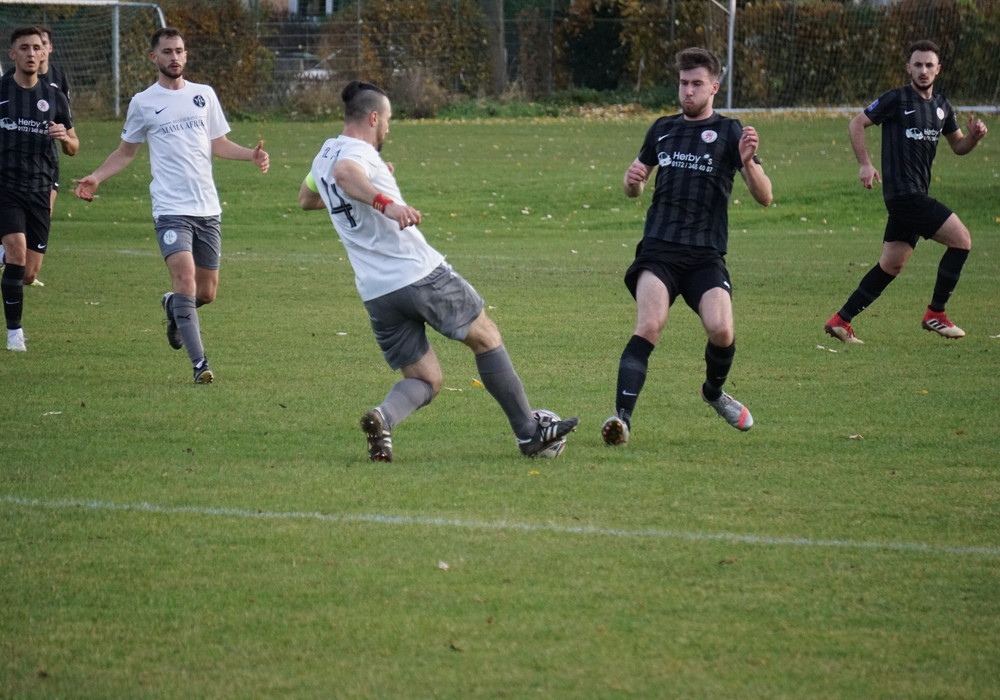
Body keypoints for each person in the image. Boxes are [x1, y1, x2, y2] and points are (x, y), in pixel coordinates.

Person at [299, 80, 578, 462]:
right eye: (388, 120)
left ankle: (383, 417)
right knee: (486, 336)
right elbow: (347, 173)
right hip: (419, 275)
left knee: (425, 378)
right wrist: (386, 203)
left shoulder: (324, 153)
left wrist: (371, 183)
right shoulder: (355, 153)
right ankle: (529, 434)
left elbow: (307, 197)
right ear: (374, 118)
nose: (388, 129)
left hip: (377, 293)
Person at [75, 27, 269, 383]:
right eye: (167, 52)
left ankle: (172, 305)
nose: (174, 57)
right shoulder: (143, 102)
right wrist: (97, 177)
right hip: (170, 210)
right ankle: (200, 365)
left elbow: (219, 143)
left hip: (207, 209)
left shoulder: (203, 95)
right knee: (185, 278)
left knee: (205, 293)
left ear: (186, 55)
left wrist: (251, 155)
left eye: (179, 51)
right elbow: (125, 151)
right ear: (154, 57)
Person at [600, 48, 772, 446]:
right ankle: (621, 420)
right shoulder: (662, 128)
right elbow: (635, 187)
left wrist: (748, 163)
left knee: (721, 330)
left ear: (714, 87)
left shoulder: (731, 131)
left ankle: (713, 393)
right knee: (649, 324)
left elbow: (765, 197)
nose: (688, 91)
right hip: (659, 251)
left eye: (697, 84)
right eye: (683, 83)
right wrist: (632, 181)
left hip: (705, 255)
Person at [824, 40, 988, 345]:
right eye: (918, 64)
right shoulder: (896, 99)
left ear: (938, 70)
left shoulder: (942, 106)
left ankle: (841, 321)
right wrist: (865, 164)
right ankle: (936, 313)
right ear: (908, 68)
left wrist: (974, 138)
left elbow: (958, 146)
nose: (923, 70)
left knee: (892, 264)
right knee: (962, 240)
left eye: (929, 65)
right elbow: (857, 124)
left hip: (912, 197)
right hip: (904, 196)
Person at [1, 26, 78, 352]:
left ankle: (3, 254)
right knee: (17, 251)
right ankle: (14, 334)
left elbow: (74, 146)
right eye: (24, 48)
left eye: (36, 48)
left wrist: (64, 137)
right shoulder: (1, 92)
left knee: (29, 273)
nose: (31, 53)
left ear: (44, 53)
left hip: (40, 188)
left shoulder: (54, 96)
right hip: (5, 186)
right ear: (12, 54)